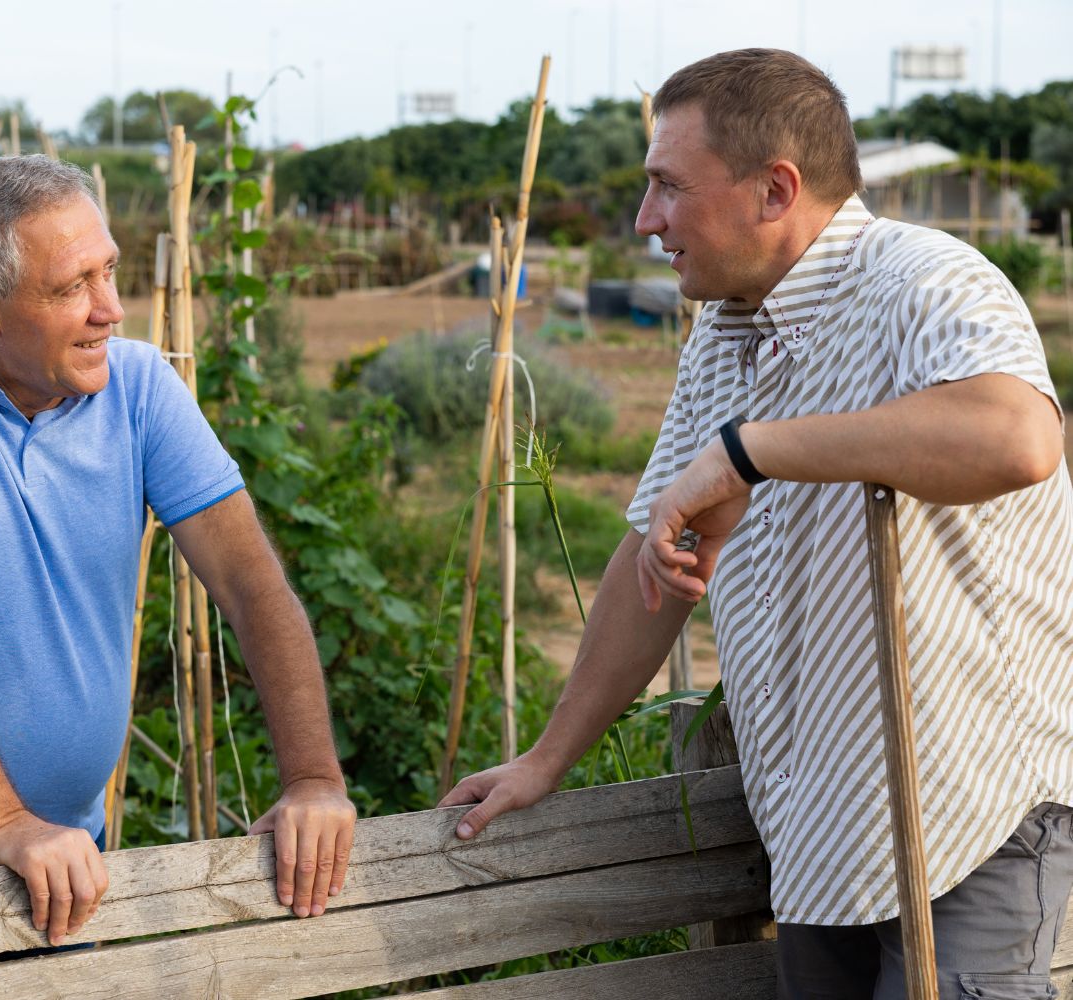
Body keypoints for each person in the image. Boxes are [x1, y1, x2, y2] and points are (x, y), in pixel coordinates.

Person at [441, 48, 1073, 998]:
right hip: (819, 831)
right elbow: (654, 561)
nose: (646, 219)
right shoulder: (726, 336)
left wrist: (751, 451)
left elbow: (1019, 438)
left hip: (965, 819)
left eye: (666, 187)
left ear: (775, 189)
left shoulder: (926, 281)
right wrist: (546, 757)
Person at [0, 155, 356, 958]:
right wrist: (4, 821)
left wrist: (314, 778)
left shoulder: (138, 386)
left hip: (67, 862)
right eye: (73, 287)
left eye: (109, 270)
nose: (111, 308)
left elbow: (249, 583)